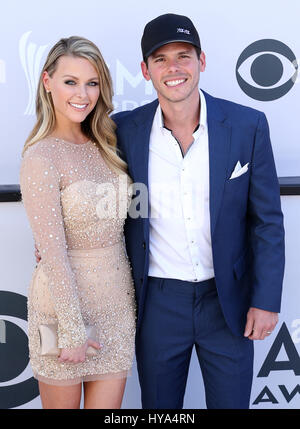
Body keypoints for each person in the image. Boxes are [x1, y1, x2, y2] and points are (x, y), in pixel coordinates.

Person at [112, 14, 285, 409]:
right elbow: (93, 192)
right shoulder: (122, 130)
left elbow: (267, 223)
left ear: (201, 61)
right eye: (160, 59)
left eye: (183, 56)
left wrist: (267, 299)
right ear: (145, 70)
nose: (173, 68)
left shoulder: (246, 125)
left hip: (228, 301)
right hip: (157, 300)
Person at [20, 36, 136, 409]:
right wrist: (71, 328)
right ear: (47, 82)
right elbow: (52, 253)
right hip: (60, 309)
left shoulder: (108, 143)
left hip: (116, 305)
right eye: (70, 81)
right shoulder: (41, 155)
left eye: (92, 82)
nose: (82, 94)